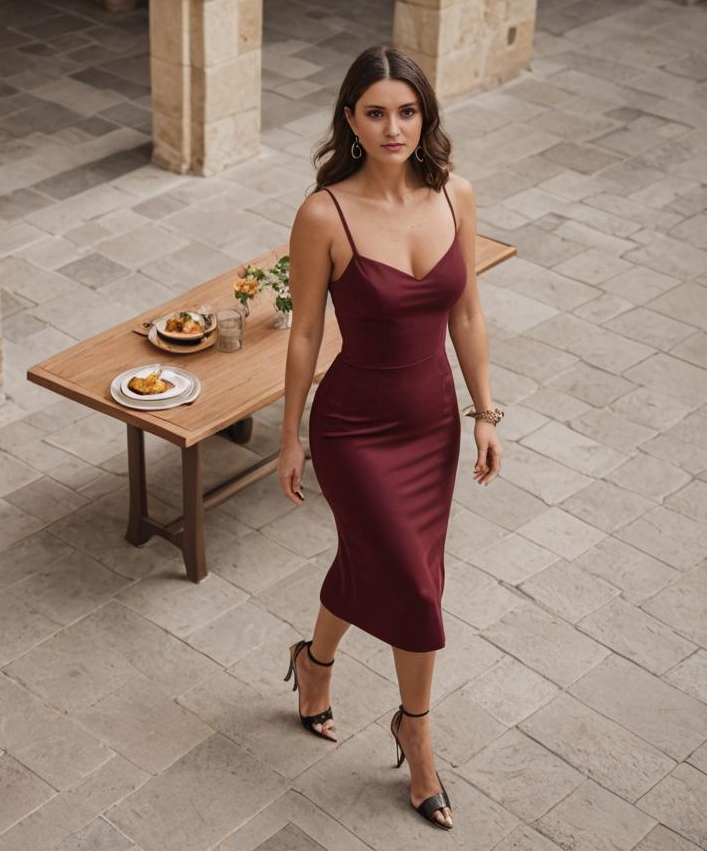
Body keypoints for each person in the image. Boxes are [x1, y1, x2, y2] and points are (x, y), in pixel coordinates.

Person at [277, 45, 504, 831]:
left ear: (424, 115)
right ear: (350, 120)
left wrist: (485, 413)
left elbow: (467, 314)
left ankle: (315, 663)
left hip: (433, 426)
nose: (393, 125)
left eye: (406, 110)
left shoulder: (456, 196)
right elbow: (304, 334)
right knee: (413, 585)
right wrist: (289, 438)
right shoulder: (323, 213)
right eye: (375, 111)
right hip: (354, 429)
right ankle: (419, 732)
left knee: (373, 562)